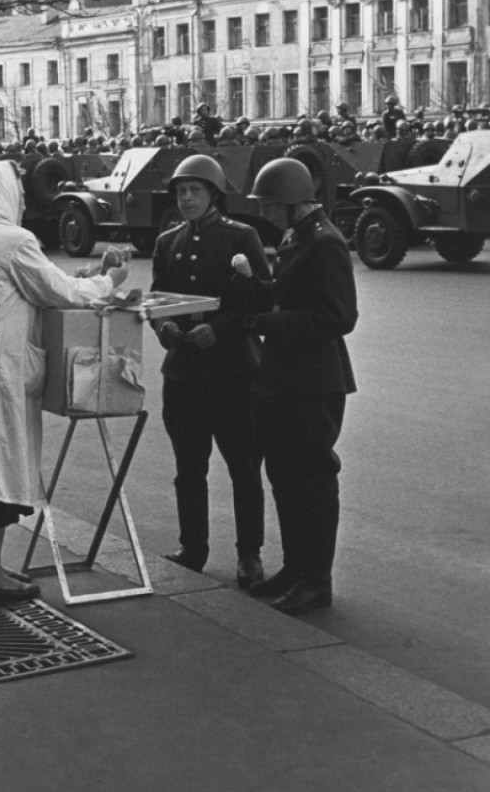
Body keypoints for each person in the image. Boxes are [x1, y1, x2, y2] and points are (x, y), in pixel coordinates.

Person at [0, 161, 128, 605]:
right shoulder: (13, 240)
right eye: (18, 190)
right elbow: (59, 293)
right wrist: (110, 280)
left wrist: (84, 278)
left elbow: (33, 286)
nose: (23, 197)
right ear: (5, 193)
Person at [234, 157, 358, 615]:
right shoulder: (296, 236)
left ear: (291, 202)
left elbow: (339, 316)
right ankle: (295, 568)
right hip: (285, 379)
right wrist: (256, 291)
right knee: (285, 477)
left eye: (269, 204)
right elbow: (290, 295)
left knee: (311, 482)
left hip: (314, 381)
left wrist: (273, 322)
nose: (264, 213)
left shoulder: (326, 243)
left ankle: (315, 580)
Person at [151, 154, 270, 588]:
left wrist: (218, 331)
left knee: (243, 468)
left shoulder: (242, 237)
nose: (186, 199)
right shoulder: (168, 242)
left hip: (234, 373)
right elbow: (158, 298)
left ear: (214, 194)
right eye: (181, 192)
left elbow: (259, 300)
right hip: (183, 375)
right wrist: (162, 325)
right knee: (188, 468)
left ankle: (249, 556)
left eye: (195, 191)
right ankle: (193, 548)